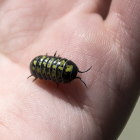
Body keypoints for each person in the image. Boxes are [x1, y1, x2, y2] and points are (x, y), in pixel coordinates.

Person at [0, 0, 139, 139]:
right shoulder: (62, 73)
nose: (77, 75)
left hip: (39, 67)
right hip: (38, 66)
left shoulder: (67, 69)